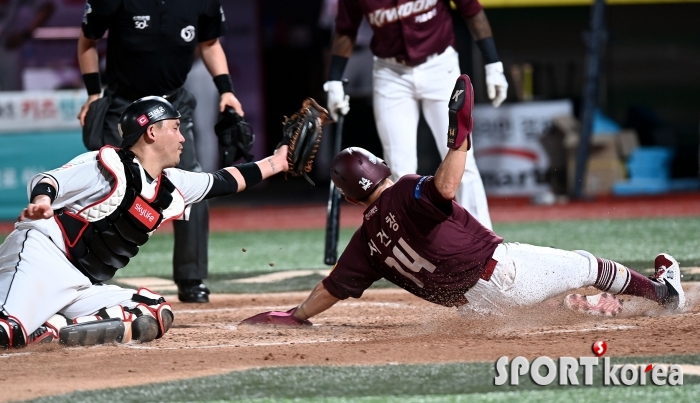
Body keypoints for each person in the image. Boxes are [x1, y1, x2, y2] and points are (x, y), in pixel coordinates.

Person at [241, 75, 685, 327]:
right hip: (502, 273)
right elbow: (446, 188)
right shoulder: (404, 188)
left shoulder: (366, 243)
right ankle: (665, 296)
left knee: (555, 301)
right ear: (376, 169)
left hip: (479, 310)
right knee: (588, 265)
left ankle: (589, 306)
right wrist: (460, 141)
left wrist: (296, 315)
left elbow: (330, 289)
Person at [0, 96, 294, 349]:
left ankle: (51, 329)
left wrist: (279, 162)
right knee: (5, 332)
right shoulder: (107, 166)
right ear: (152, 131)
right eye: (176, 128)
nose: (182, 138)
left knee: (151, 312)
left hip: (81, 283)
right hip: (40, 257)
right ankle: (23, 324)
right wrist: (42, 202)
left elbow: (224, 180)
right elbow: (49, 181)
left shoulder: (171, 184)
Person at [76, 0, 243, 302]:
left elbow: (209, 43)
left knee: (193, 184)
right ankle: (84, 274)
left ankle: (191, 278)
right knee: (106, 185)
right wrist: (92, 93)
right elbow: (88, 40)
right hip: (124, 106)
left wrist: (227, 90)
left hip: (173, 105)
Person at [323, 0, 509, 230]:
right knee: (400, 167)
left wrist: (493, 64)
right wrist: (334, 79)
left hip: (440, 65)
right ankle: (413, 243)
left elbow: (471, 10)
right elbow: (346, 28)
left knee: (462, 157)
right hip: (390, 72)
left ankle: (485, 240)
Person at [0, 0, 55, 91]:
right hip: (7, 47)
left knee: (12, 95)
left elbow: (47, 7)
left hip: (6, 46)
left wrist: (25, 34)